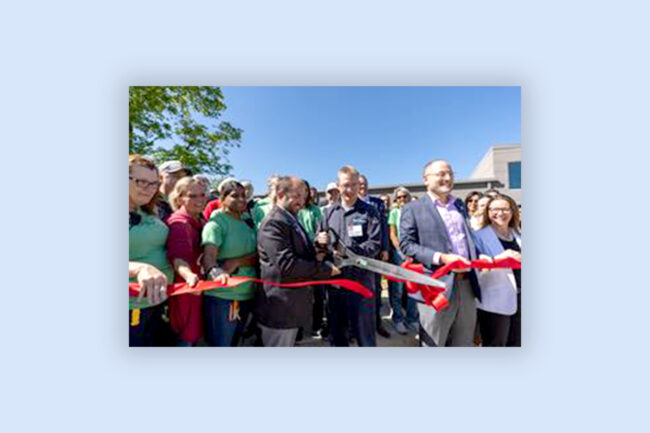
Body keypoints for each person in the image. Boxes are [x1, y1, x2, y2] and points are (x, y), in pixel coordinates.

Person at [399, 159, 482, 347]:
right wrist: (442, 258)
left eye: (450, 173)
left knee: (464, 342)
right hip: (436, 287)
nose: (447, 178)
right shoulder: (413, 208)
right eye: (441, 174)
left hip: (467, 284)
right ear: (425, 180)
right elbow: (407, 244)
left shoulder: (460, 206)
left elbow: (468, 240)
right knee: (434, 342)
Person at [255, 176, 340, 346]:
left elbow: (299, 253)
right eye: (297, 195)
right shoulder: (274, 222)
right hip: (280, 309)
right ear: (280, 194)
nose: (301, 201)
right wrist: (326, 270)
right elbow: (288, 265)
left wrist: (316, 249)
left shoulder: (291, 218)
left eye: (304, 196)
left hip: (291, 307)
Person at [317, 166, 381, 347]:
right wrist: (319, 240)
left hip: (361, 280)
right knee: (337, 332)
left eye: (354, 185)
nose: (350, 190)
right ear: (338, 186)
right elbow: (319, 243)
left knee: (364, 334)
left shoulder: (370, 212)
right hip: (336, 281)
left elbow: (374, 245)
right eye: (345, 185)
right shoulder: (328, 213)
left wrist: (348, 251)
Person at [200, 180, 258, 346]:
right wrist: (215, 271)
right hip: (223, 297)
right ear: (222, 198)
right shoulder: (216, 224)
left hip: (247, 293)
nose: (241, 199)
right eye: (234, 196)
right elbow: (209, 256)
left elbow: (257, 256)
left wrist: (238, 261)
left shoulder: (247, 223)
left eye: (244, 196)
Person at [129, 155, 174, 346]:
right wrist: (138, 269)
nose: (149, 189)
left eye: (154, 183)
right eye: (141, 182)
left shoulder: (147, 211)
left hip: (157, 305)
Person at [473, 194, 522, 347]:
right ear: (488, 212)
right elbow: (475, 270)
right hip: (495, 301)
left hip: (520, 298)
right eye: (495, 209)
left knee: (517, 343)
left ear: (512, 211)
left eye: (505, 209)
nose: (500, 213)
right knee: (496, 344)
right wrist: (499, 259)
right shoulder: (478, 237)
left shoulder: (518, 235)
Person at [165, 176, 207, 346]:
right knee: (185, 338)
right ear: (180, 198)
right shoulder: (180, 223)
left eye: (202, 195)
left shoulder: (199, 219)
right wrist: (188, 275)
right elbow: (178, 256)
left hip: (197, 287)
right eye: (192, 196)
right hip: (187, 289)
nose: (199, 200)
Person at [358, 174, 391, 339]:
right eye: (359, 184)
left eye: (364, 184)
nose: (362, 186)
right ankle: (355, 326)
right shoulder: (350, 204)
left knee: (376, 289)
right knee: (356, 289)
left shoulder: (377, 203)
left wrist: (385, 248)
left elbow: (384, 227)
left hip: (375, 254)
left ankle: (377, 323)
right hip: (356, 256)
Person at [387, 186, 419, 335]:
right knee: (398, 289)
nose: (402, 199)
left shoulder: (415, 211)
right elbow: (393, 234)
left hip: (414, 254)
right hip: (399, 254)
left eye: (404, 196)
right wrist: (401, 251)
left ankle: (412, 318)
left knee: (413, 287)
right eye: (399, 197)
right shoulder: (394, 212)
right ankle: (398, 319)